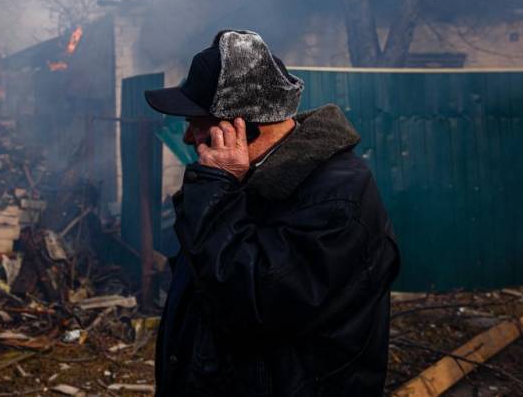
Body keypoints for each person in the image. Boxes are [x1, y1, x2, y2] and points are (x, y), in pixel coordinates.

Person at [144, 30, 400, 396]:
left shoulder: (335, 199)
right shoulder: (245, 180)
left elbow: (252, 306)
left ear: (242, 129)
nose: (188, 137)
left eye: (197, 121)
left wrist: (213, 191)